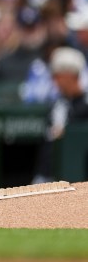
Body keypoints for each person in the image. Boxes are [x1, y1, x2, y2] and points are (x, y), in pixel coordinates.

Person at [33, 47, 88, 183]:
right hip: (49, 175)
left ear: (70, 75)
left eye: (57, 76)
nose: (54, 81)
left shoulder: (85, 104)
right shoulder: (58, 104)